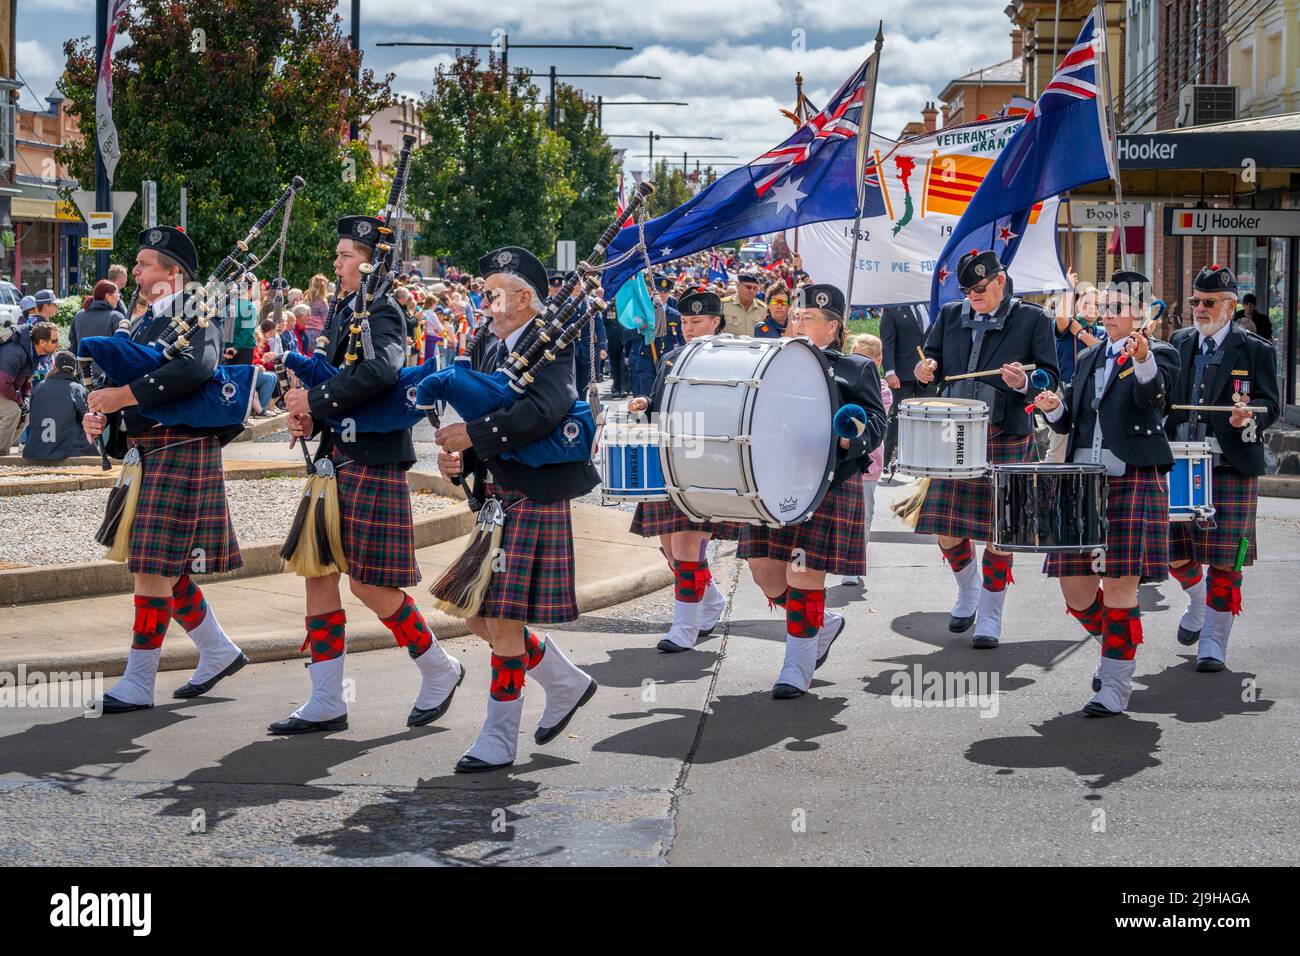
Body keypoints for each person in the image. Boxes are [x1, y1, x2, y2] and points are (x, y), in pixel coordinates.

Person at [275, 216, 463, 735]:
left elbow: (381, 372)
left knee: (371, 586)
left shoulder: (383, 311)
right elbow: (346, 381)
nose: (335, 264)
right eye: (336, 256)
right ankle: (326, 699)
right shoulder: (346, 310)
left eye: (344, 256)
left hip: (372, 460)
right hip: (336, 459)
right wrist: (312, 413)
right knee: (317, 572)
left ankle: (438, 668)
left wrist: (314, 398)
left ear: (369, 260)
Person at [435, 245, 600, 772]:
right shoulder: (488, 340)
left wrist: (475, 436)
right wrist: (463, 460)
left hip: (532, 491)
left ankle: (499, 738)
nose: (483, 299)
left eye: (493, 291)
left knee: (502, 620)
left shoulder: (553, 344)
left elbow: (543, 411)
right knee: (479, 618)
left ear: (524, 297)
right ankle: (563, 680)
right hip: (497, 496)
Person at [81, 226, 249, 712]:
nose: (135, 271)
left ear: (174, 273)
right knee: (162, 566)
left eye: (145, 263)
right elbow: (127, 384)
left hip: (180, 446)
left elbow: (195, 369)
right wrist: (104, 413)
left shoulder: (203, 313)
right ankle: (218, 651)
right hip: (149, 450)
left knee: (151, 566)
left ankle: (138, 680)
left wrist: (123, 396)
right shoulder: (142, 324)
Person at [1033, 271, 1180, 716]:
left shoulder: (1162, 355)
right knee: (1076, 592)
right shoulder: (1090, 356)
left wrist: (1142, 358)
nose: (1107, 314)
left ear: (1140, 313)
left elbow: (1154, 397)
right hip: (1082, 484)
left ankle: (1115, 684)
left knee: (1119, 587)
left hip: (1131, 479)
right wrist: (1053, 405)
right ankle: (1119, 646)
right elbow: (1071, 420)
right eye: (1106, 305)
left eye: (1118, 307)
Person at [738, 284, 887, 698]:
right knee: (765, 575)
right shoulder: (768, 361)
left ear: (834, 326)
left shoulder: (856, 368)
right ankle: (823, 623)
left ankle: (796, 667)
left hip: (827, 484)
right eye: (796, 317)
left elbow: (875, 424)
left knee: (802, 574)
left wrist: (849, 439)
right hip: (770, 481)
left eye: (809, 318)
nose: (798, 323)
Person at [912, 249, 1060, 648]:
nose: (972, 295)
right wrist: (924, 371)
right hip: (954, 436)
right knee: (943, 528)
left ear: (1000, 281)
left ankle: (991, 615)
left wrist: (1023, 386)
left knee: (1001, 531)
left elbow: (1050, 379)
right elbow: (933, 364)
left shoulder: (1032, 319)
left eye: (979, 288)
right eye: (966, 290)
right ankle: (969, 589)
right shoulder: (949, 316)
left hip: (1006, 435)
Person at [1164, 265, 1280, 672]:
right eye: (1195, 301)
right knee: (1173, 553)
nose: (1199, 308)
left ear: (1230, 305)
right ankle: (1197, 601)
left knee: (1225, 559)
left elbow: (1271, 405)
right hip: (1180, 462)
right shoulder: (1178, 342)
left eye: (1208, 302)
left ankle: (1214, 639)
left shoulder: (1256, 349)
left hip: (1229, 465)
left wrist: (1247, 418)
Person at [626, 290, 738, 653]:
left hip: (705, 461)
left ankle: (684, 627)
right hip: (669, 458)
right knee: (671, 549)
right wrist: (646, 403)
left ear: (716, 322)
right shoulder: (672, 358)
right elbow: (661, 406)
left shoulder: (732, 358)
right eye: (686, 323)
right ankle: (712, 600)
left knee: (687, 544)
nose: (689, 329)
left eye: (697, 322)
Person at [840, 333, 892, 587]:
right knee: (844, 511)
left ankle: (854, 561)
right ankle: (841, 556)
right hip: (845, 460)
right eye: (855, 357)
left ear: (878, 361)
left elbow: (868, 418)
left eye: (867, 359)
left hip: (869, 461)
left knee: (865, 513)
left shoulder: (882, 391)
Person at [1049, 273, 1104, 463]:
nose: (1092, 308)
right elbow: (1061, 318)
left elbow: (1100, 350)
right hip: (1065, 390)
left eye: (1097, 304)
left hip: (1089, 393)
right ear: (1077, 305)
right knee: (1060, 442)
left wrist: (1080, 334)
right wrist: (1067, 290)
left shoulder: (1102, 332)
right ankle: (1051, 486)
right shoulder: (1067, 327)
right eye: (1087, 303)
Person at [879, 303, 934, 466]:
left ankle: (925, 459)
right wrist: (889, 371)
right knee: (898, 417)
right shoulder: (893, 308)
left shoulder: (930, 306)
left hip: (927, 372)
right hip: (902, 374)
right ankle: (886, 459)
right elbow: (887, 341)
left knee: (929, 415)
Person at [22, 350, 96, 460]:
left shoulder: (38, 387)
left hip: (35, 451)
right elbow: (87, 419)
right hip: (69, 451)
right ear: (74, 370)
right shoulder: (77, 389)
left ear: (54, 366)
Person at [0, 321, 60, 452]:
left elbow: (25, 381)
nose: (57, 345)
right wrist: (19, 400)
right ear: (42, 342)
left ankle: (3, 451)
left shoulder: (33, 354)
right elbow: (3, 383)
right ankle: (1, 454)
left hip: (5, 386)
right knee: (13, 412)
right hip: (2, 385)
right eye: (54, 341)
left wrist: (25, 398)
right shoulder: (16, 353)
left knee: (25, 415)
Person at [68, 281, 125, 372]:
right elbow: (124, 348)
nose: (118, 298)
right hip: (108, 376)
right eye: (117, 294)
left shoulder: (79, 315)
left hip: (83, 374)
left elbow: (73, 344)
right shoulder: (116, 317)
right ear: (107, 296)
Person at [721, 271, 767, 336]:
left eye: (755, 288)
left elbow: (765, 331)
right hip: (730, 346)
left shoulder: (763, 309)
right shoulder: (723, 305)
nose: (752, 291)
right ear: (738, 286)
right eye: (748, 287)